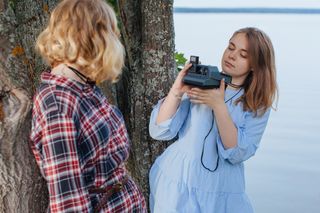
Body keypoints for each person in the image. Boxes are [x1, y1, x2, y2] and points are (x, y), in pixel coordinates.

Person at [29, 0, 146, 212]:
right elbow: (68, 202)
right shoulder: (58, 104)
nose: (116, 38)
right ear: (92, 37)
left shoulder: (83, 84)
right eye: (111, 31)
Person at [148, 27, 278, 213]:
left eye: (243, 54)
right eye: (230, 47)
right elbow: (159, 130)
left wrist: (219, 106)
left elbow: (238, 153)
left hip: (222, 187)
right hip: (179, 179)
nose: (231, 56)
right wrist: (177, 91)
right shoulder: (203, 80)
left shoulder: (257, 103)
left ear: (255, 64)